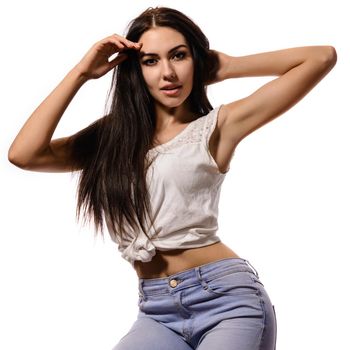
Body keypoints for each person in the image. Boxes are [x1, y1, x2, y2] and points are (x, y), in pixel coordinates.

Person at [8, 6, 336, 350]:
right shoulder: (112, 138)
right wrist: (81, 73)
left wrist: (225, 67)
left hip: (226, 301)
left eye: (178, 56)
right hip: (156, 311)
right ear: (135, 69)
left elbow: (320, 57)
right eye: (151, 60)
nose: (168, 73)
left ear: (196, 59)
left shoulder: (218, 127)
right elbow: (24, 154)